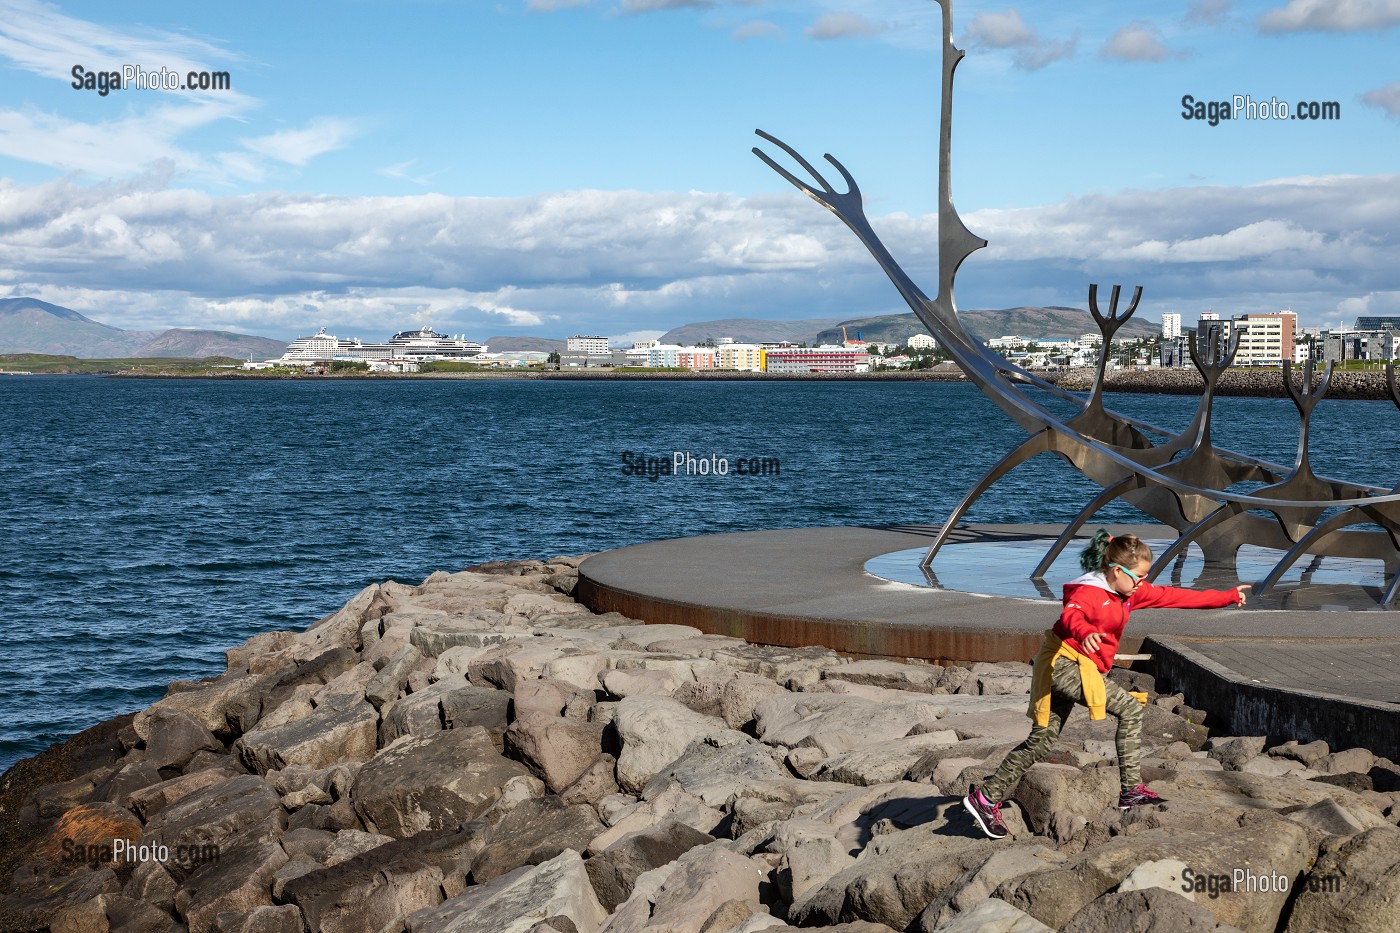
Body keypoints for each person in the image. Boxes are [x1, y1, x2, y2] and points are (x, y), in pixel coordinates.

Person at [962, 529, 1249, 840]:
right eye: (1138, 576)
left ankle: (985, 798)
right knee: (1129, 709)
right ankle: (1131, 793)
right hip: (1061, 664)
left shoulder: (1130, 592)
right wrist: (1085, 632)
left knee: (1041, 741)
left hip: (1078, 667)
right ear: (1116, 571)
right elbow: (1072, 614)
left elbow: (1175, 596)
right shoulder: (1088, 591)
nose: (1142, 582)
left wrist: (1227, 596)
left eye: (1145, 576)